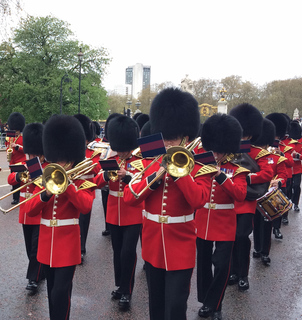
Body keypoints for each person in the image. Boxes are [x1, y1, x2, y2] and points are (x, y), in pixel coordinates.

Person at [124, 88, 216, 320]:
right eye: (164, 137)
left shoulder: (201, 164)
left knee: (175, 308)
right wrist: (155, 177)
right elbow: (129, 197)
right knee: (156, 306)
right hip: (153, 244)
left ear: (185, 137)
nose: (167, 143)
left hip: (181, 244)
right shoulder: (150, 161)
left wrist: (179, 174)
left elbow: (198, 200)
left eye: (172, 138)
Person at [24, 115, 95, 320]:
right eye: (54, 159)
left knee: (61, 293)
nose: (57, 163)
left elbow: (85, 206)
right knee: (51, 292)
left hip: (67, 242)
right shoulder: (45, 175)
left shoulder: (83, 176)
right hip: (46, 242)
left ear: (72, 158)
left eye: (61, 160)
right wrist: (45, 195)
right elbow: (29, 209)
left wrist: (69, 187)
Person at [195, 114, 247, 320]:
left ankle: (216, 304)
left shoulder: (237, 169)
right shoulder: (201, 164)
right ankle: (206, 301)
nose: (215, 154)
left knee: (223, 265)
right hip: (203, 218)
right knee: (203, 264)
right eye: (213, 150)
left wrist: (221, 176)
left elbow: (240, 195)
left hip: (225, 221)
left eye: (219, 150)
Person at [94, 114, 144, 310]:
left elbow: (143, 183)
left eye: (124, 149)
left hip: (133, 212)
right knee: (117, 252)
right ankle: (120, 285)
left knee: (128, 252)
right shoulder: (110, 157)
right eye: (119, 149)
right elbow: (97, 181)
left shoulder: (140, 161)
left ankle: (127, 290)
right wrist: (106, 175)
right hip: (114, 212)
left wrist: (129, 177)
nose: (121, 153)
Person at [228, 103, 274, 292]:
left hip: (246, 201)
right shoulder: (229, 151)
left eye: (246, 134)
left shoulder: (258, 153)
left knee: (242, 237)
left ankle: (243, 275)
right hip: (230, 200)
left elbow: (267, 173)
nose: (243, 136)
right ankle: (232, 271)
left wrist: (247, 177)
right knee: (229, 238)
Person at [7, 122, 46, 293]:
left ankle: (33, 279)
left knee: (35, 246)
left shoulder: (47, 167)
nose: (32, 156)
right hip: (25, 210)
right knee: (29, 246)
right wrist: (19, 176)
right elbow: (10, 179)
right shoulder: (25, 164)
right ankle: (39, 271)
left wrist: (37, 178)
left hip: (40, 210)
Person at [251, 118, 288, 266]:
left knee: (267, 223)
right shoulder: (251, 156)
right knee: (256, 223)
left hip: (268, 194)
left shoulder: (275, 157)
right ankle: (258, 248)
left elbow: (283, 175)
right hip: (255, 193)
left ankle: (265, 252)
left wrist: (278, 181)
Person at [74, 113, 101, 264]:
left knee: (83, 223)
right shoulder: (69, 152)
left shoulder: (93, 153)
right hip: (71, 190)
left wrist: (84, 161)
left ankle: (81, 249)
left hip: (86, 190)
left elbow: (97, 169)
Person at [266, 113, 294, 238]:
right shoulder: (265, 147)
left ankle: (276, 229)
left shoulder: (285, 147)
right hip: (266, 182)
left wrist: (281, 154)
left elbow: (290, 163)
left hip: (280, 180)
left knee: (277, 207)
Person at [6, 112, 26, 205]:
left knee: (18, 181)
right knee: (13, 182)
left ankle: (17, 198)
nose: (16, 131)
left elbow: (26, 149)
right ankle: (15, 197)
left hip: (20, 162)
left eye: (17, 130)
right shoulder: (10, 137)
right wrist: (8, 150)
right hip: (13, 163)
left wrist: (17, 146)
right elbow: (7, 146)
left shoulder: (22, 138)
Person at [288, 120, 302, 211]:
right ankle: (289, 202)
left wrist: (298, 155)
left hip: (297, 170)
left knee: (296, 186)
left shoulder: (301, 146)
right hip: (288, 169)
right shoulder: (286, 145)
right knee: (288, 188)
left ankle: (296, 203)